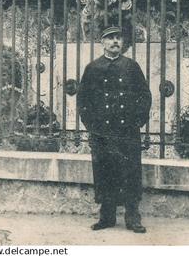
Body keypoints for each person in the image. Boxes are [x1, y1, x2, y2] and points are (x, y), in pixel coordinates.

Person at [77, 25, 152, 232]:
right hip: (102, 132)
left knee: (130, 173)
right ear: (102, 43)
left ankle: (133, 217)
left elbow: (144, 96)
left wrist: (137, 121)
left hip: (127, 132)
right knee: (105, 172)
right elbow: (83, 99)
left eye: (118, 38)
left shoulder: (131, 66)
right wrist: (91, 125)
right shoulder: (92, 68)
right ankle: (107, 216)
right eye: (110, 38)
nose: (115, 42)